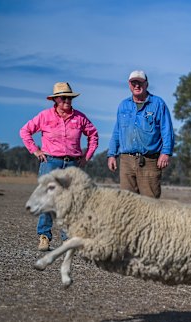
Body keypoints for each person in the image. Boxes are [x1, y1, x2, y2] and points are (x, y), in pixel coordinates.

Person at [20, 82, 99, 251]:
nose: (67, 101)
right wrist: (35, 150)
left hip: (72, 163)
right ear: (55, 99)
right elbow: (24, 131)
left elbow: (93, 135)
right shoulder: (44, 116)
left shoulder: (80, 117)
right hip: (51, 162)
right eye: (63, 98)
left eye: (70, 98)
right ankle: (44, 237)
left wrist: (87, 157)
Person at [107, 70, 174, 198]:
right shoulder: (123, 105)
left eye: (140, 83)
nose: (137, 86)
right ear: (129, 85)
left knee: (151, 203)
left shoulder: (158, 104)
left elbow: (167, 130)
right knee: (127, 202)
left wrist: (165, 153)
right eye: (134, 83)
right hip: (126, 160)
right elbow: (117, 131)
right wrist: (111, 154)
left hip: (149, 160)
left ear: (146, 84)